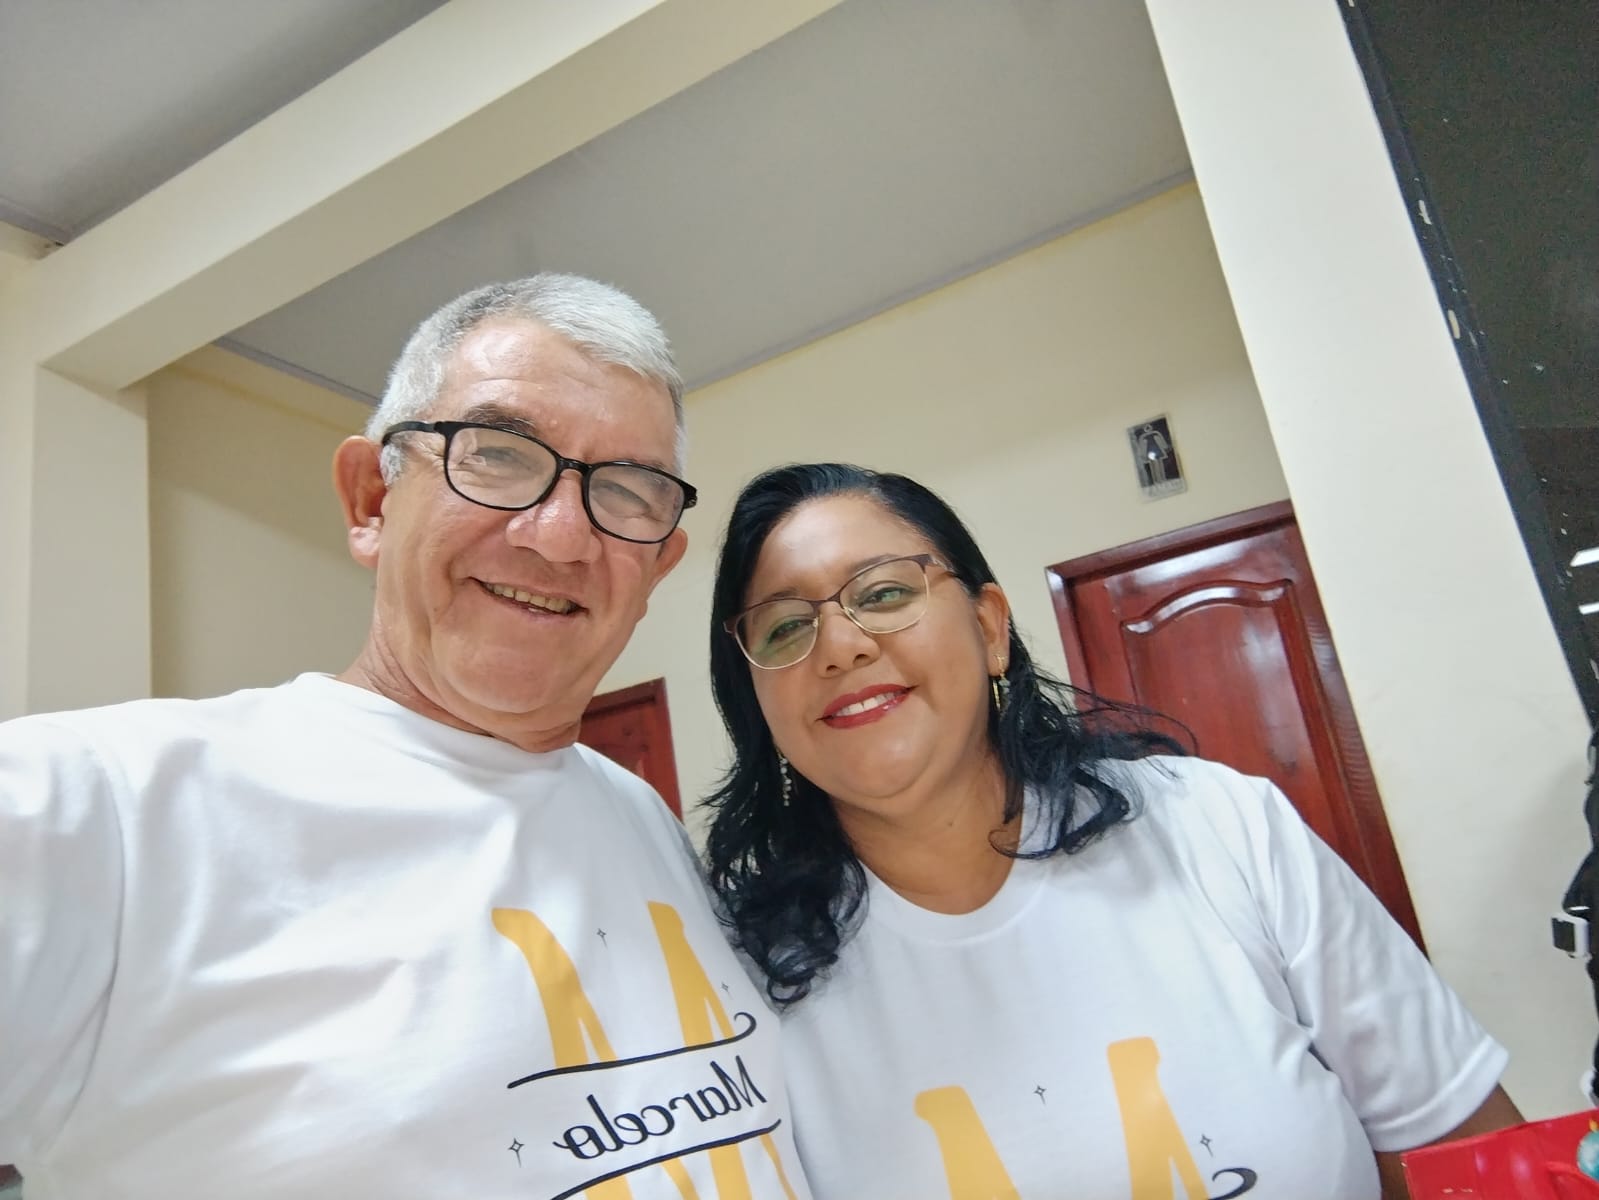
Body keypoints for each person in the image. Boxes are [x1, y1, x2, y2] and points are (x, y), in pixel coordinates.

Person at [0, 275, 809, 1200]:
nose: (559, 537)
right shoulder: (101, 813)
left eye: (626, 490)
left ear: (658, 565)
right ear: (370, 501)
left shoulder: (639, 815)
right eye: (497, 453)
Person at [703, 461, 1520, 1200]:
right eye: (784, 628)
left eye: (883, 593)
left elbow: (1459, 1151)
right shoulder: (742, 982)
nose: (839, 646)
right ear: (758, 703)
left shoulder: (1218, 827)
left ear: (989, 629)